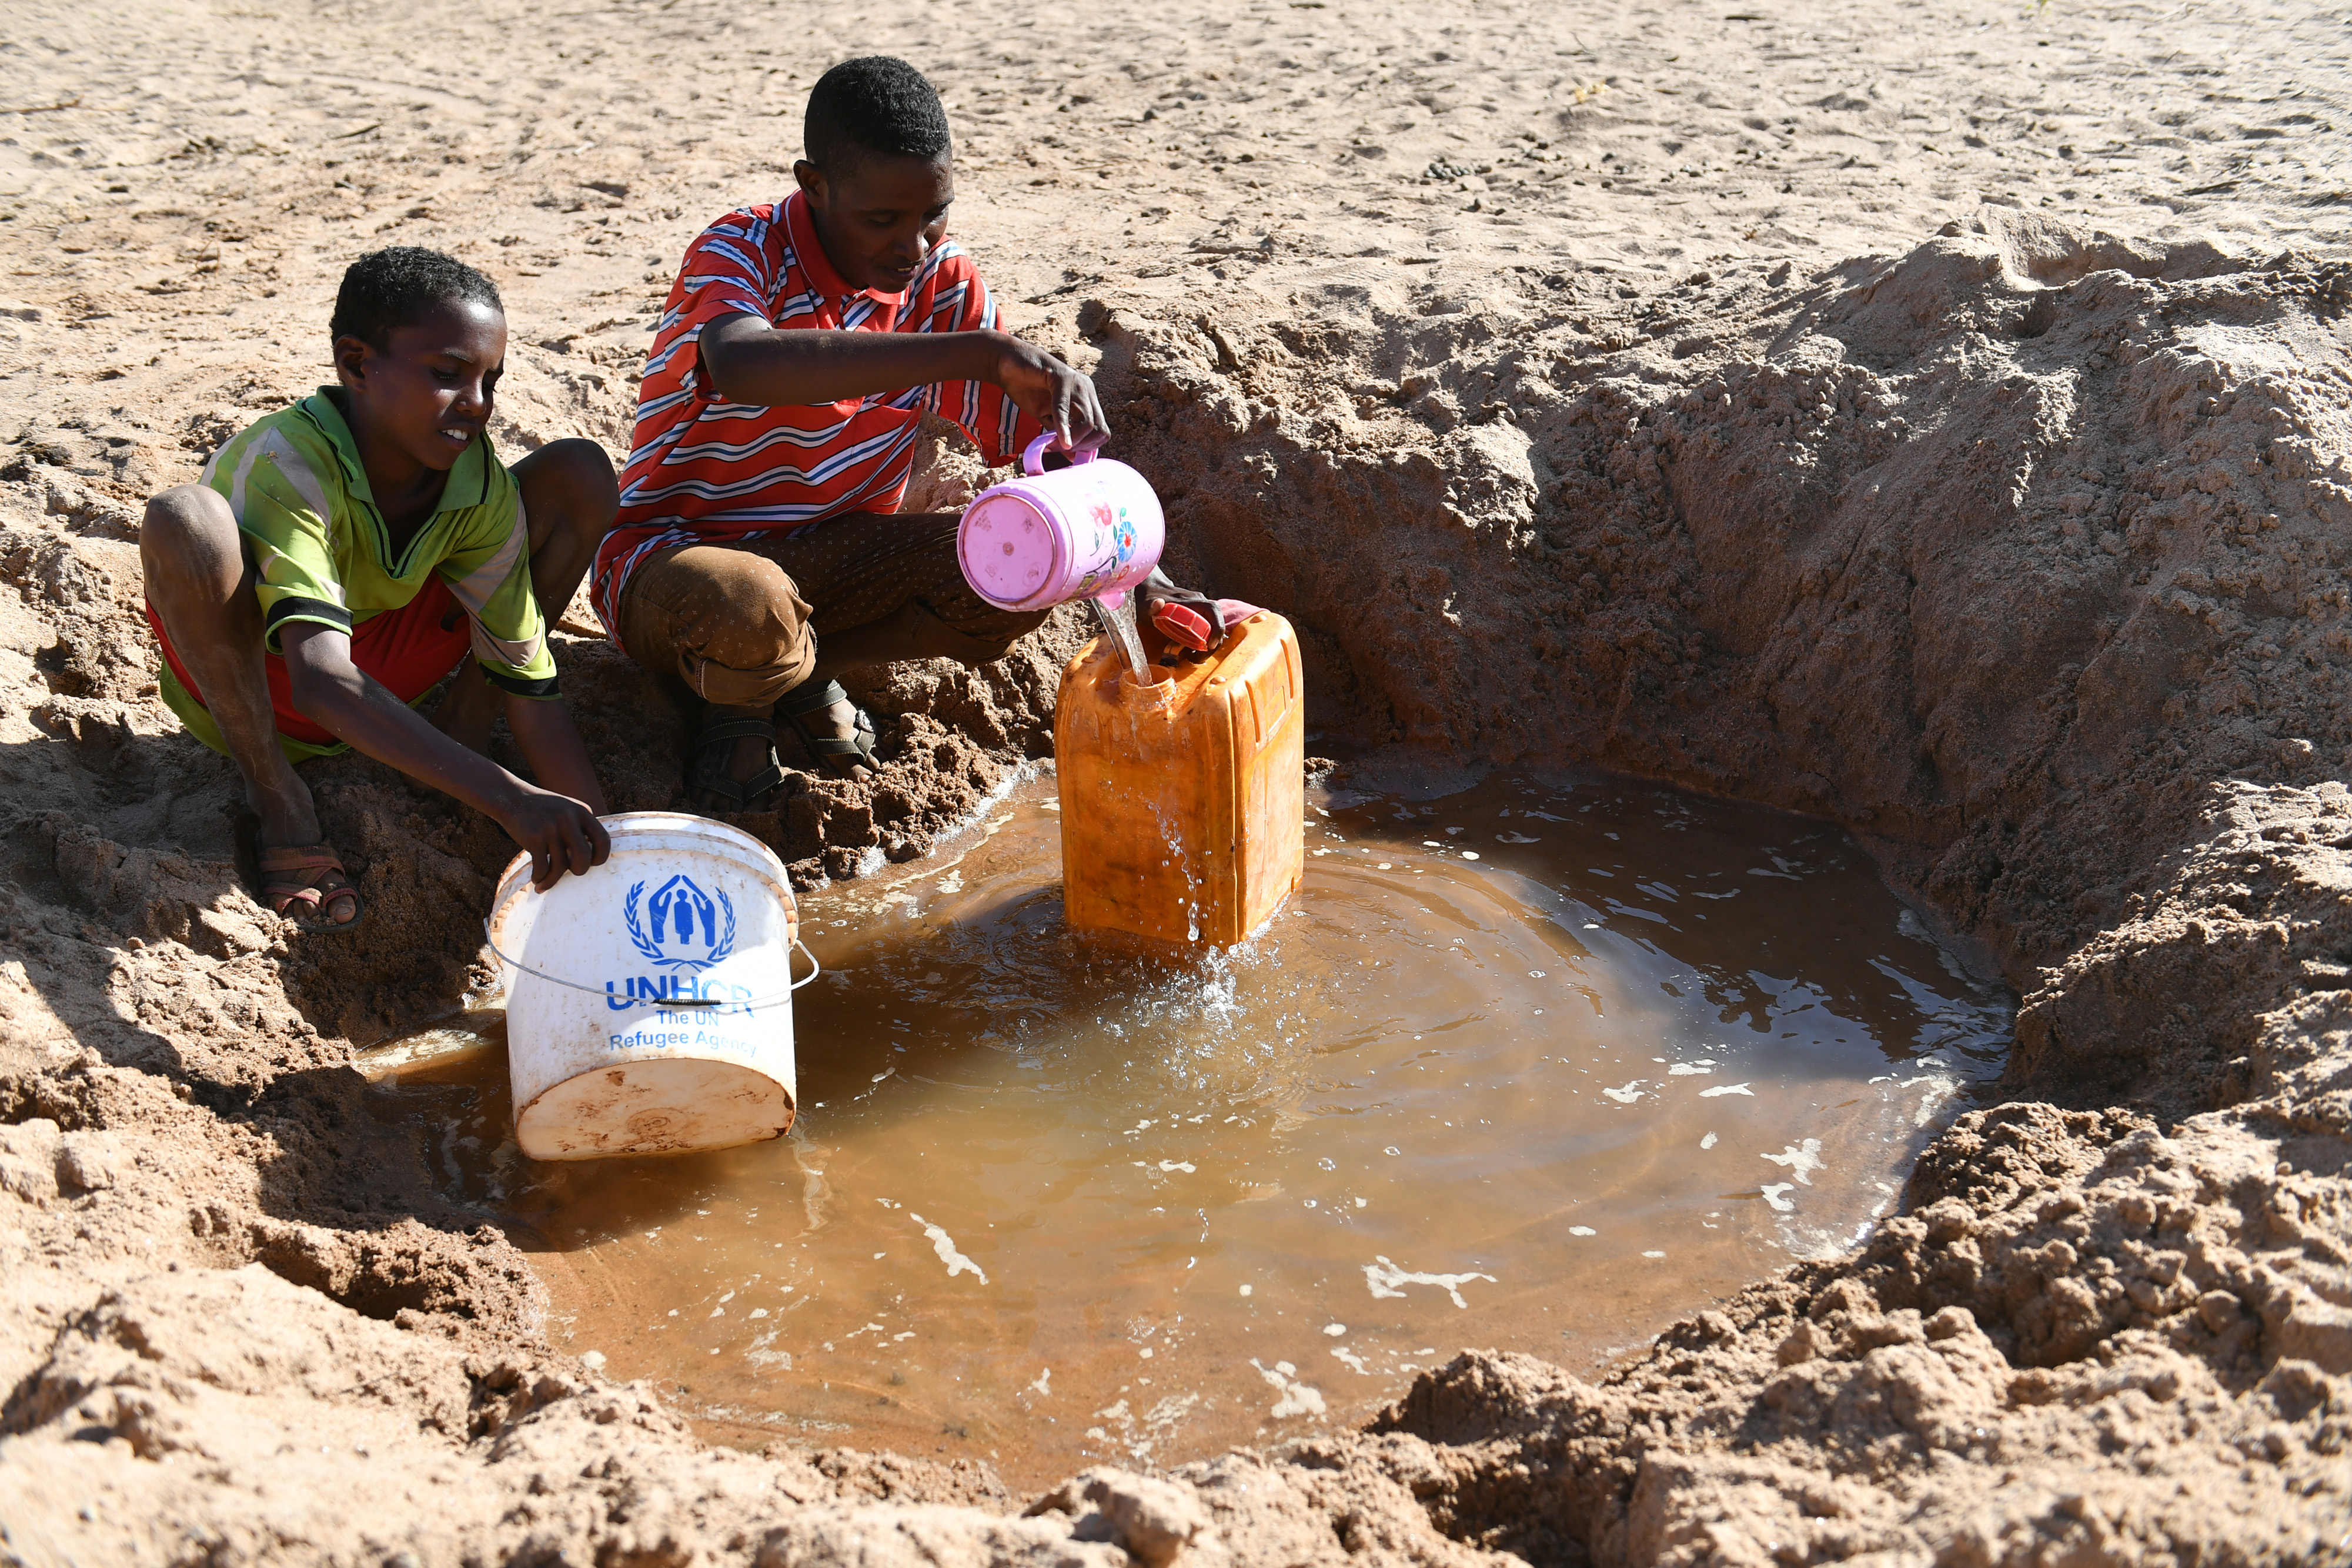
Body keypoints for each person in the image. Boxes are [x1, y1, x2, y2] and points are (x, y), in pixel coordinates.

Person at [593, 55, 1226, 808]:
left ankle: (792, 669)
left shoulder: (940, 283)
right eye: (882, 220)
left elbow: (1046, 452)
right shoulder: (743, 250)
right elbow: (741, 363)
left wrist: (1145, 580)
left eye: (934, 214)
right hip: (674, 568)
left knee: (1016, 571)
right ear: (814, 185)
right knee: (749, 602)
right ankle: (739, 716)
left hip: (835, 560)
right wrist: (980, 354)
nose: (914, 246)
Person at [141, 247, 617, 930]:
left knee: (578, 470)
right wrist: (511, 798)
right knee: (187, 522)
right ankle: (279, 800)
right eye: (448, 375)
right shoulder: (288, 466)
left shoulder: (472, 481)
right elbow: (322, 681)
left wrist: (606, 847)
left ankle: (460, 734)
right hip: (262, 685)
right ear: (358, 364)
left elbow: (531, 685)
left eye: (492, 380)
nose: (477, 405)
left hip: (388, 679)